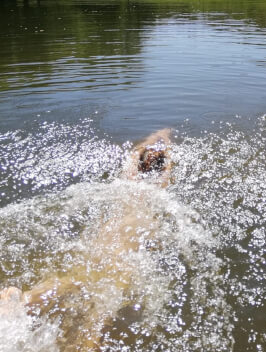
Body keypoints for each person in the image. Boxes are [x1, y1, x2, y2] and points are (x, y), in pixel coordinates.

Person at [0, 129, 172, 351]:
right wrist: (167, 141)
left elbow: (133, 159)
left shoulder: (121, 190)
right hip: (122, 265)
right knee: (97, 318)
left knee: (69, 282)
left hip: (97, 249)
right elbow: (163, 182)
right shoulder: (153, 205)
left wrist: (157, 137)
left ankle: (23, 300)